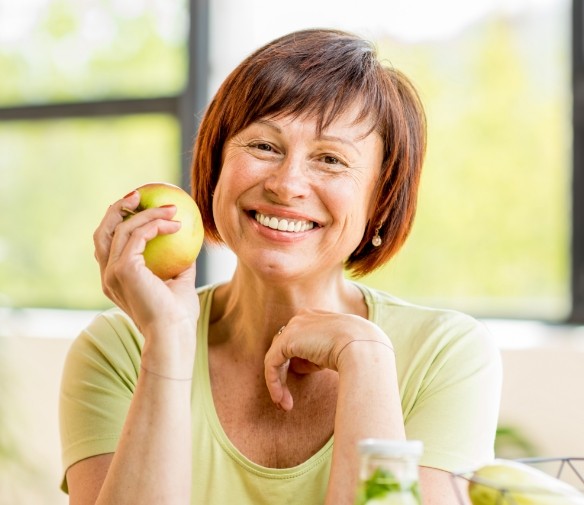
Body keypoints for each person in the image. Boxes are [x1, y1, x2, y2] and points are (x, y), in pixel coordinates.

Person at [59, 28, 502, 505]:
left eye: (330, 159)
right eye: (264, 147)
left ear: (380, 200)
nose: (287, 184)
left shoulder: (444, 356)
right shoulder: (120, 350)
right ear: (216, 165)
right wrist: (166, 344)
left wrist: (366, 357)